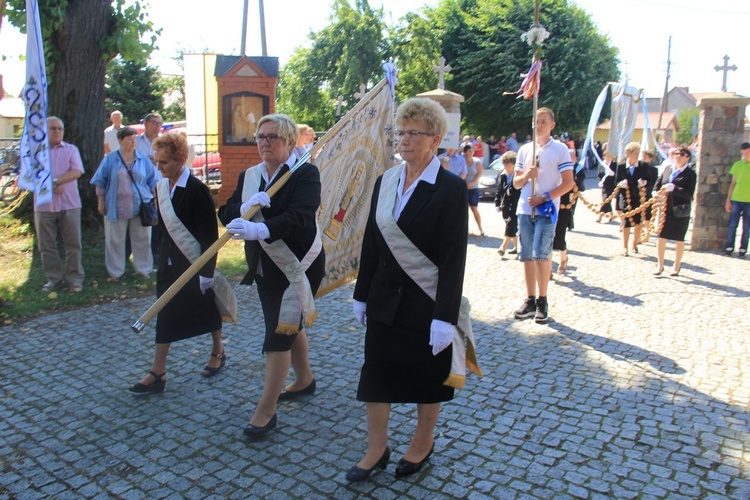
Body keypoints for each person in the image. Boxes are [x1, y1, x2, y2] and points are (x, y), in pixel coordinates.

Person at [347, 97, 469, 482]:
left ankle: (422, 442)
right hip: (385, 298)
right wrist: (361, 293)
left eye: (414, 133)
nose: (404, 139)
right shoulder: (385, 181)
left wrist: (445, 318)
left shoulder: (450, 188)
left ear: (435, 139)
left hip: (426, 302)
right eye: (401, 131)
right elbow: (372, 242)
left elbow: (453, 259)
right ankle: (376, 448)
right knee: (376, 375)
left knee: (426, 377)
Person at [218, 114, 325, 440]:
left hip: (299, 265)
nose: (265, 142)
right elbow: (225, 211)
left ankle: (266, 412)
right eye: (261, 137)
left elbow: (300, 217)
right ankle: (305, 380)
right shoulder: (250, 175)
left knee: (278, 334)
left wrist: (259, 227)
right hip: (266, 268)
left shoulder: (305, 174)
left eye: (273, 137)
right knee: (287, 325)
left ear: (290, 142)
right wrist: (242, 209)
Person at [128, 132, 230, 395]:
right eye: (156, 162)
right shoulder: (161, 187)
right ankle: (158, 371)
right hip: (169, 265)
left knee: (207, 308)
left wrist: (206, 273)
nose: (158, 167)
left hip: (194, 265)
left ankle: (218, 350)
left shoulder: (198, 191)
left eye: (163, 163)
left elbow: (209, 235)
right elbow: (162, 230)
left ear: (180, 159)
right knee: (165, 314)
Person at [512, 108, 574, 324]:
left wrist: (545, 197)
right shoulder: (525, 150)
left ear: (551, 125)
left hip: (545, 211)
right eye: (536, 121)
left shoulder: (560, 149)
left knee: (542, 255)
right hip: (525, 209)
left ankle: (542, 300)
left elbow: (568, 183)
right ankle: (529, 300)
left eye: (543, 121)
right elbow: (516, 183)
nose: (538, 125)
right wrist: (528, 175)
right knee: (527, 255)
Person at [91, 127, 158, 280]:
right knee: (115, 240)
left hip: (140, 206)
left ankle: (144, 269)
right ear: (120, 140)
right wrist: (100, 202)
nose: (133, 142)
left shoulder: (143, 158)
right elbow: (100, 182)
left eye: (134, 139)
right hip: (116, 206)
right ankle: (115, 272)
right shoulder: (110, 159)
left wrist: (154, 200)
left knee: (142, 239)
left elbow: (153, 181)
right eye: (129, 139)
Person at [35, 117, 85, 293]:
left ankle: (75, 280)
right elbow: (31, 175)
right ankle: (53, 279)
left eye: (60, 129)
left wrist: (55, 182)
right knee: (46, 244)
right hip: (44, 205)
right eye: (52, 128)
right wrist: (50, 186)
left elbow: (76, 171)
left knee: (73, 244)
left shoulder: (71, 149)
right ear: (44, 130)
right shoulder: (36, 152)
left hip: (69, 203)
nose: (57, 131)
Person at [653, 145, 697, 276]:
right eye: (676, 153)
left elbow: (689, 193)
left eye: (681, 154)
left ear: (687, 158)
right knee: (661, 237)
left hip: (680, 209)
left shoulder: (690, 174)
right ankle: (660, 265)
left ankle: (677, 264)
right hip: (665, 208)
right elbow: (658, 183)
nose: (677, 156)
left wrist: (675, 189)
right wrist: (655, 193)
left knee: (679, 238)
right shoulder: (668, 169)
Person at [614, 142, 654, 256]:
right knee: (626, 221)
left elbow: (650, 180)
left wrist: (644, 182)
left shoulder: (643, 166)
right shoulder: (621, 166)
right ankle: (625, 247)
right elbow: (616, 181)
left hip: (639, 197)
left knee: (638, 222)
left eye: (638, 153)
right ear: (628, 154)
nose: (637, 155)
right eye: (635, 153)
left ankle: (634, 244)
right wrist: (621, 184)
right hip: (626, 197)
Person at [552, 149, 583, 274]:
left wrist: (574, 183)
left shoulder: (577, 170)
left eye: (572, 156)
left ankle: (563, 259)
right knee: (547, 236)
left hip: (565, 207)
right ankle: (548, 268)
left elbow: (580, 187)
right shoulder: (556, 169)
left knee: (559, 236)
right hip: (552, 205)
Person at [724, 142, 750, 258]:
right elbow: (733, 184)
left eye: (748, 153)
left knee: (746, 226)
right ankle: (729, 248)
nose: (746, 155)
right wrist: (728, 200)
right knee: (733, 224)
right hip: (736, 199)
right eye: (743, 153)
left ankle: (743, 249)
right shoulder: (738, 165)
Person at [494, 151, 519, 256]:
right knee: (512, 226)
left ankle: (503, 247)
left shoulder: (518, 174)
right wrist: (497, 203)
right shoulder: (503, 174)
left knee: (511, 224)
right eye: (505, 165)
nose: (507, 167)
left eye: (509, 165)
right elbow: (499, 190)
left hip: (516, 204)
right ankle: (517, 247)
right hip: (506, 204)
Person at [462, 143, 485, 235]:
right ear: (465, 152)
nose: (471, 153)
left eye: (472, 151)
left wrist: (473, 183)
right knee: (464, 210)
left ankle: (480, 228)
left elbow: (479, 173)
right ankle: (465, 229)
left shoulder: (477, 161)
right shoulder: (461, 161)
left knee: (474, 208)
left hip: (473, 188)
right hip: (463, 188)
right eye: (469, 151)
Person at [596, 152, 616, 223]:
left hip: (611, 186)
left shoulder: (614, 164)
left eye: (609, 156)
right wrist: (600, 181)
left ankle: (600, 217)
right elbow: (599, 175)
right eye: (606, 156)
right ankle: (612, 215)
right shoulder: (601, 165)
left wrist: (613, 174)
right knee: (606, 201)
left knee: (605, 201)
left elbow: (617, 174)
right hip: (604, 186)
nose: (607, 158)